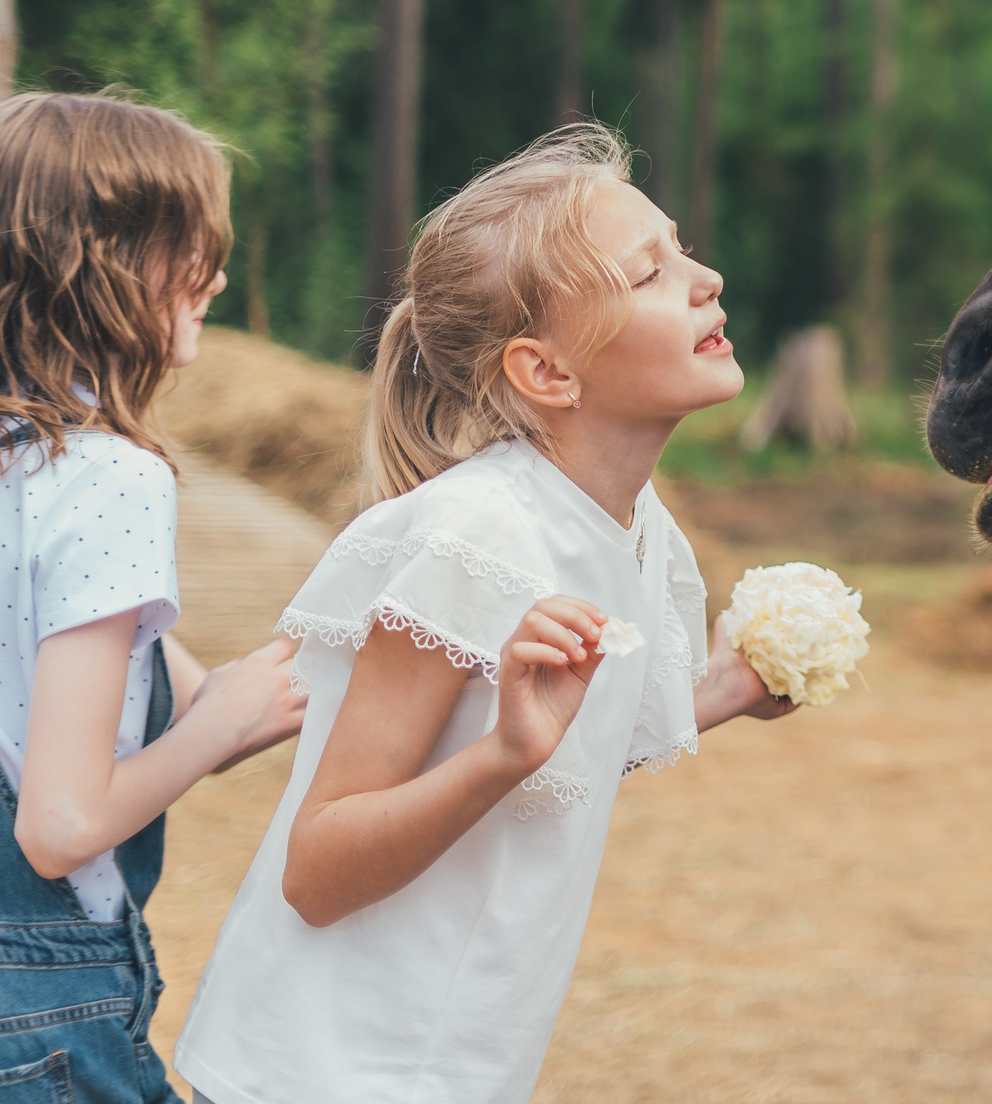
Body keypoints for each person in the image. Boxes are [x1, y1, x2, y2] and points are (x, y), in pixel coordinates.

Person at [176, 126, 799, 1104]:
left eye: (680, 248)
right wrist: (503, 756)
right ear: (547, 373)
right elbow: (318, 867)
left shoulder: (637, 530)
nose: (705, 277)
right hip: (322, 1075)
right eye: (648, 273)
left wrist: (725, 687)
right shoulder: (472, 538)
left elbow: (563, 756)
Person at [0, 92, 307, 1101]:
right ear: (104, 262)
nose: (215, 275)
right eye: (191, 247)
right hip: (42, 1009)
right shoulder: (107, 479)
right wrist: (215, 731)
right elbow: (61, 822)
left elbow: (198, 695)